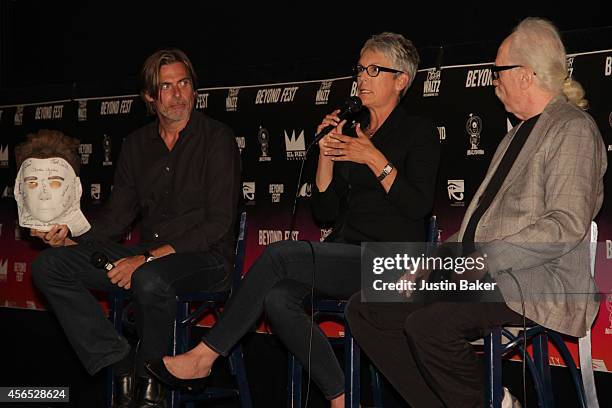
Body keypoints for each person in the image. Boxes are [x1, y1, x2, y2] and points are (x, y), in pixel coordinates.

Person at [146, 32, 440, 407]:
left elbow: (416, 206)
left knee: (282, 256)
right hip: (347, 254)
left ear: (400, 80)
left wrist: (372, 157)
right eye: (360, 69)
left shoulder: (419, 132)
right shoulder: (355, 131)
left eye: (373, 69)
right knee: (278, 297)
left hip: (394, 264)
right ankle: (341, 396)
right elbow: (325, 213)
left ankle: (204, 356)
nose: (361, 78)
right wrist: (326, 153)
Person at [346, 17, 607, 408]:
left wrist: (486, 257)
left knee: (429, 324)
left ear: (525, 75)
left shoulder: (572, 129)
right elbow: (475, 229)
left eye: (498, 71)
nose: (493, 80)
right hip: (485, 274)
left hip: (538, 281)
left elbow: (564, 226)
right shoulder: (514, 136)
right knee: (365, 305)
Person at [30, 48, 240, 408]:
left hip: (206, 261)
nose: (178, 95)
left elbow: (219, 223)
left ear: (193, 89)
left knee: (149, 277)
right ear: (150, 97)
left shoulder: (217, 139)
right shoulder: (136, 145)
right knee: (49, 266)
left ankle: (149, 385)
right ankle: (119, 359)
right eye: (167, 87)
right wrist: (68, 233)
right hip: (146, 260)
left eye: (184, 84)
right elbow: (115, 219)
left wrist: (146, 260)